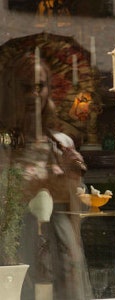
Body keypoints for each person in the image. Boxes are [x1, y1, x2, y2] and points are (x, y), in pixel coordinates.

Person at [0, 53, 93, 300]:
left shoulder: (62, 143)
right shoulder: (5, 145)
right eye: (26, 87)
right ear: (13, 91)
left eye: (40, 86)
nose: (33, 94)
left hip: (62, 239)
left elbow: (77, 208)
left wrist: (72, 178)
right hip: (20, 241)